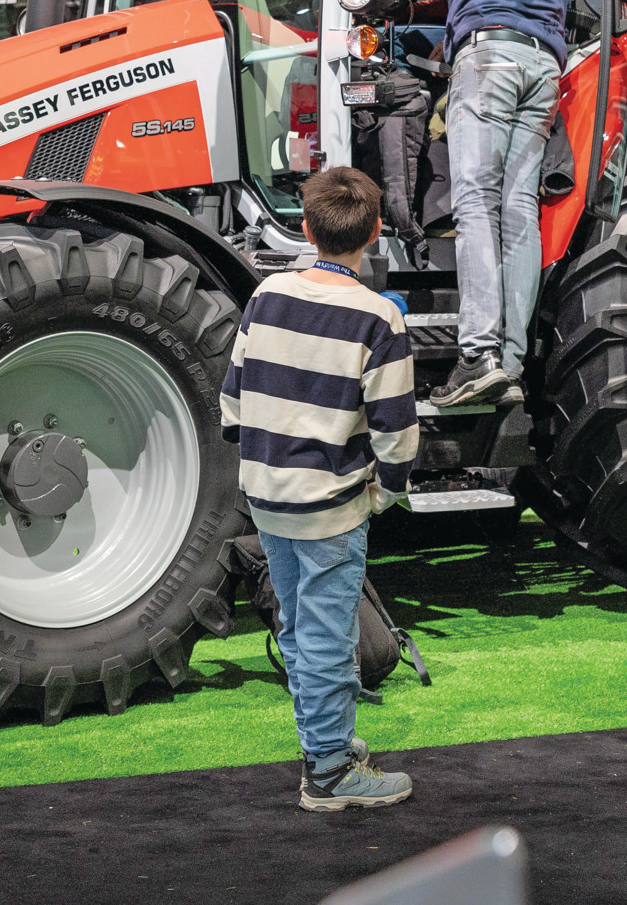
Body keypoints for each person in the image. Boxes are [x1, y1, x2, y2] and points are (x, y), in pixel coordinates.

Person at [220, 166, 419, 812]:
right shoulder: (380, 317)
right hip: (331, 507)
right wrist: (382, 494)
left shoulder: (266, 295)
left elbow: (232, 401)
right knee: (330, 635)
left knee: (301, 627)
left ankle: (324, 746)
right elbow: (397, 435)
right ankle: (330, 772)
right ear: (376, 232)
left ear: (304, 227)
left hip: (267, 496)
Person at [358, 0, 571, 408]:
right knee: (518, 209)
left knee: (475, 201)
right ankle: (511, 360)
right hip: (543, 66)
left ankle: (476, 355)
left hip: (492, 56)